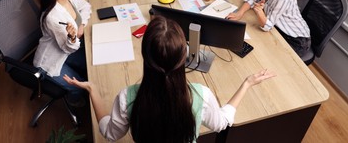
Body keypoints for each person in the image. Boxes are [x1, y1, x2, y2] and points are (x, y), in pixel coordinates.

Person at [64, 16, 275, 142]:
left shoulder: (126, 97)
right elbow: (222, 122)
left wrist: (93, 90)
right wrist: (246, 84)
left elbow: (109, 133)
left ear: (145, 57)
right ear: (184, 57)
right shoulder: (200, 95)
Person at [34, 0, 92, 106]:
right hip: (52, 61)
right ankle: (74, 100)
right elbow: (68, 48)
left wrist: (81, 25)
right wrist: (72, 37)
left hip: (67, 52)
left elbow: (86, 6)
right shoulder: (53, 17)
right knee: (81, 86)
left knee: (92, 64)